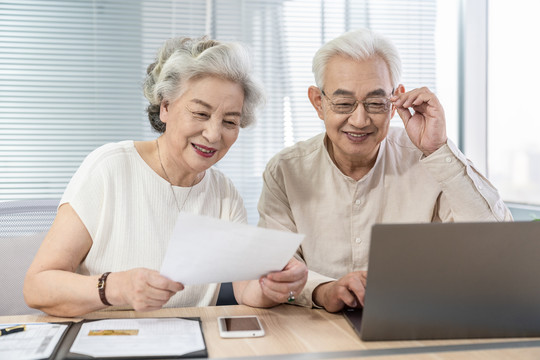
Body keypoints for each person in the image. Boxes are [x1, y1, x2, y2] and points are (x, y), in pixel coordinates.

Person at [24, 36, 307, 317]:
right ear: (166, 107)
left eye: (230, 121)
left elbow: (245, 289)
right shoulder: (109, 168)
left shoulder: (224, 193)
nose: (213, 134)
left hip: (192, 345)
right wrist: (115, 287)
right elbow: (37, 286)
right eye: (200, 113)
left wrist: (274, 285)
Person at [257, 28, 513, 313]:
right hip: (315, 329)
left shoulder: (428, 157)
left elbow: (498, 244)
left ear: (396, 100)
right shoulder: (286, 171)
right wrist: (322, 290)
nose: (359, 119)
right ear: (319, 102)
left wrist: (438, 149)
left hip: (415, 322)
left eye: (376, 102)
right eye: (343, 103)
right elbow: (274, 268)